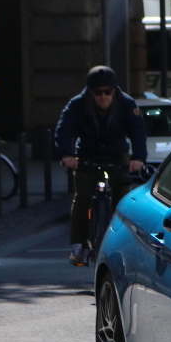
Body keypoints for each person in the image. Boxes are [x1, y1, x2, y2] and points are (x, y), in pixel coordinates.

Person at [55, 66, 147, 265]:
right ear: (90, 92)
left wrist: (138, 158)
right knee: (83, 196)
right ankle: (78, 245)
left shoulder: (127, 104)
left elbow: (138, 131)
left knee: (123, 197)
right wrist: (67, 155)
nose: (103, 96)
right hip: (86, 153)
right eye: (98, 93)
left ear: (115, 90)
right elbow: (63, 130)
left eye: (108, 92)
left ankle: (124, 244)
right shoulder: (77, 105)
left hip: (117, 153)